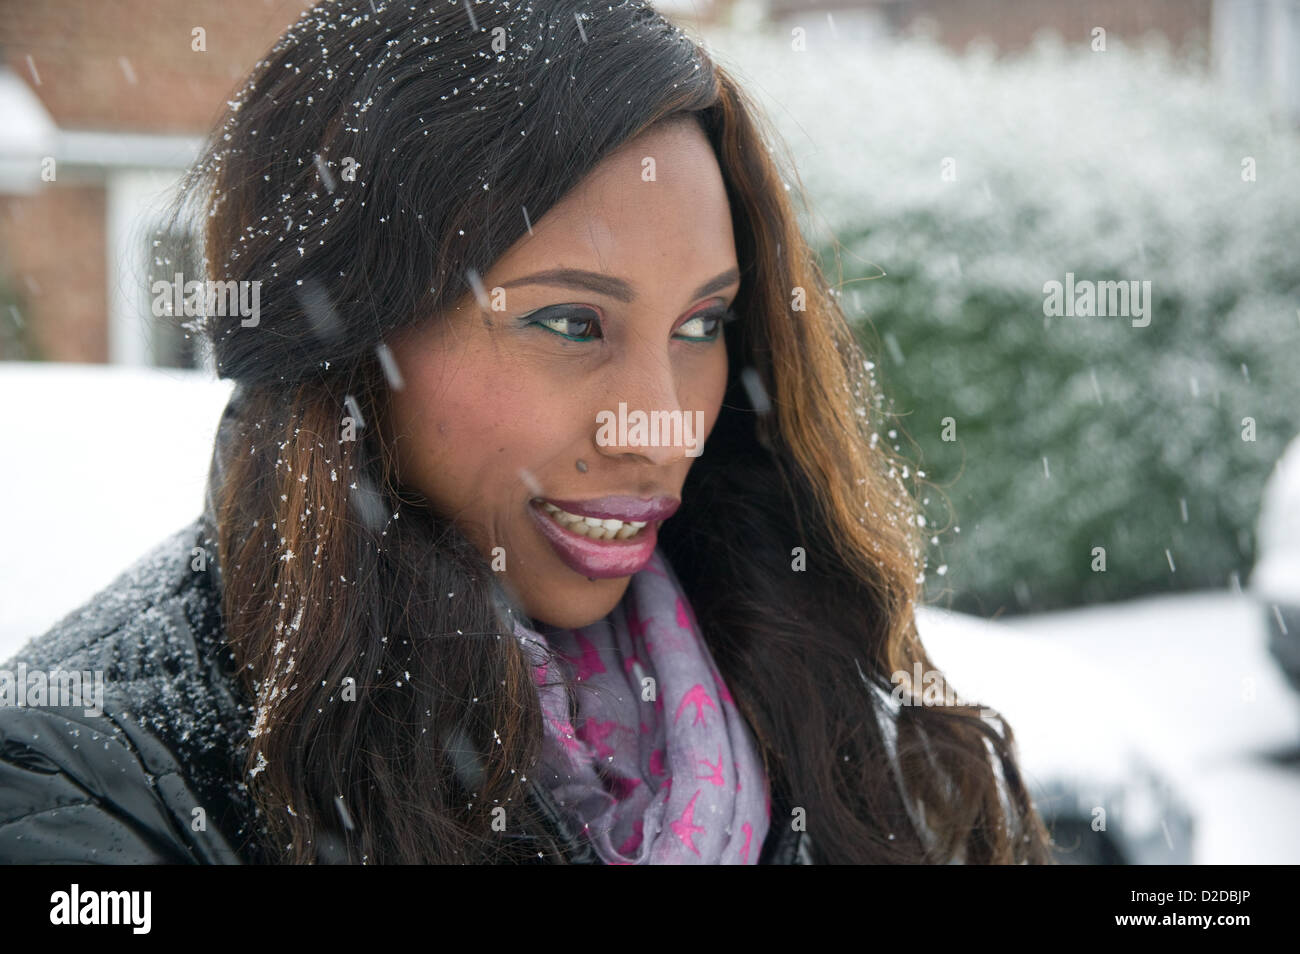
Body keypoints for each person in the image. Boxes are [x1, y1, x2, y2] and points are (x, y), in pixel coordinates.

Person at [0, 0, 1053, 864]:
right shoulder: (81, 782)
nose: (663, 426)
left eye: (701, 325)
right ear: (347, 334)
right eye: (566, 322)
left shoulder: (817, 699)